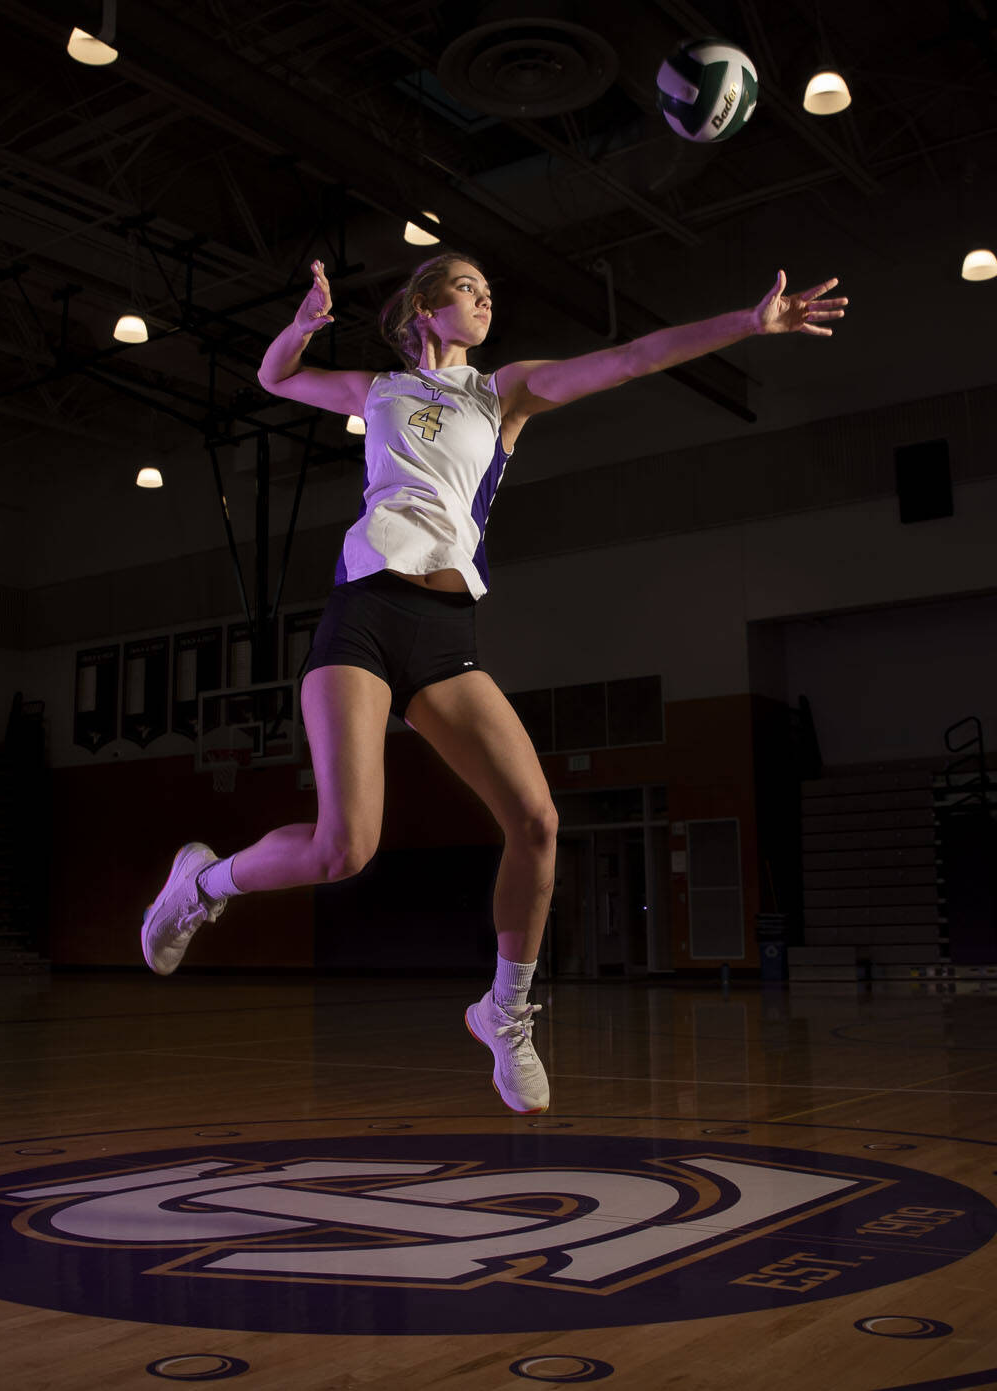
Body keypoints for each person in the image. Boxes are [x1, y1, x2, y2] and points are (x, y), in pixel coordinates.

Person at [141, 250, 846, 1114]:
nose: (483, 299)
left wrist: (747, 322)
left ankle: (503, 1012)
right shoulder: (379, 391)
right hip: (361, 615)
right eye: (467, 289)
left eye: (486, 292)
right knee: (344, 848)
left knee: (539, 820)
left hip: (444, 629)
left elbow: (630, 359)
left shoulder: (503, 391)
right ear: (428, 310)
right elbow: (276, 375)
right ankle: (203, 885)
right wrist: (302, 324)